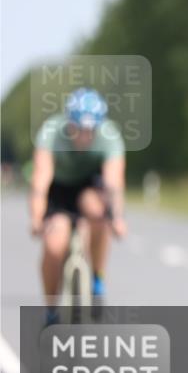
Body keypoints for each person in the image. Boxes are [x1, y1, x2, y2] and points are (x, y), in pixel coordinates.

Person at [29, 88, 127, 325]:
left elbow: (114, 182)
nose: (83, 136)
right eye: (78, 129)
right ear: (68, 123)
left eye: (89, 131)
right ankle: (51, 311)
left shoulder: (110, 136)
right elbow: (41, 178)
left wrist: (116, 217)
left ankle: (97, 279)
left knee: (99, 213)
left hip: (88, 186)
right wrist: (37, 215)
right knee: (54, 246)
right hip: (59, 188)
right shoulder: (51, 132)